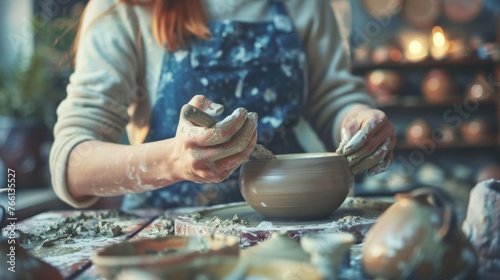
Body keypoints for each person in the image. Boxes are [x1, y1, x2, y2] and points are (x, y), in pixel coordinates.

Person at [50, 0, 396, 210]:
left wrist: (357, 119)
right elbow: (72, 166)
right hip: (169, 236)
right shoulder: (125, 9)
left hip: (291, 227)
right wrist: (174, 160)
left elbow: (332, 97)